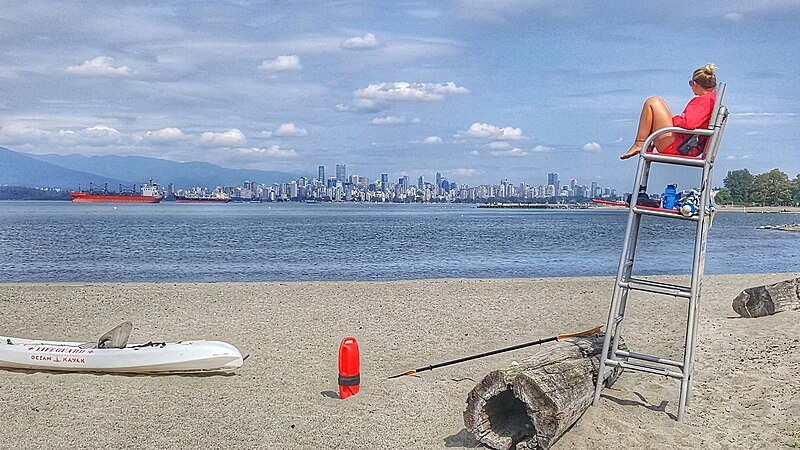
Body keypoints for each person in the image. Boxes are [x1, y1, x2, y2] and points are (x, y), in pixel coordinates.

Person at [620, 64, 718, 160]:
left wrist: (675, 120)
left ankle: (639, 143)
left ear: (695, 84)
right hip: (686, 145)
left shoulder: (704, 101)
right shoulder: (712, 99)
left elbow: (689, 123)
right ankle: (643, 143)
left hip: (679, 147)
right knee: (660, 101)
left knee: (652, 101)